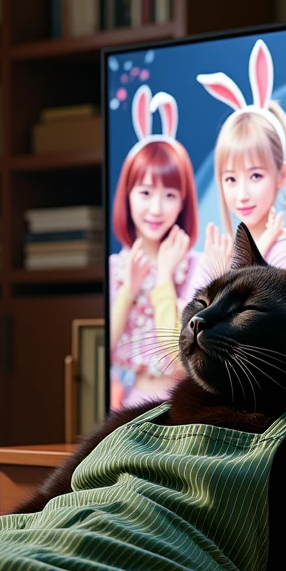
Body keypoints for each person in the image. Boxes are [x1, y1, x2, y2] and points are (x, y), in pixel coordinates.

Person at [109, 84, 201, 409]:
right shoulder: (115, 268)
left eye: (170, 195)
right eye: (145, 193)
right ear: (127, 195)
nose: (156, 209)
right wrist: (128, 290)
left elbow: (178, 354)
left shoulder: (194, 266)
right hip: (134, 404)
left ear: (183, 203)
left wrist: (164, 276)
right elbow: (100, 348)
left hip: (183, 404)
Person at [194, 38, 286, 280]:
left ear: (282, 174)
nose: (242, 194)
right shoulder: (218, 254)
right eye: (230, 179)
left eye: (255, 176)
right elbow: (186, 319)